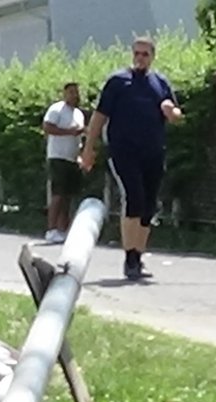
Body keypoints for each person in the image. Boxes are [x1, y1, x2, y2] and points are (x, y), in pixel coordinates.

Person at [79, 35, 183, 281]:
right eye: (136, 53)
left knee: (149, 205)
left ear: (152, 57)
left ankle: (138, 255)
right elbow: (99, 117)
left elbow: (176, 114)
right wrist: (88, 149)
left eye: (145, 54)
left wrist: (172, 112)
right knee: (134, 197)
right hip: (124, 151)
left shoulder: (160, 83)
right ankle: (130, 259)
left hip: (153, 151)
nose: (140, 58)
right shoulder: (118, 81)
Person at [41, 81, 85, 244]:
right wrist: (69, 132)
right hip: (58, 156)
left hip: (72, 158)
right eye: (71, 92)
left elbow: (79, 137)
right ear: (65, 94)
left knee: (68, 196)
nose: (75, 95)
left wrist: (81, 155)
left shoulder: (78, 114)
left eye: (76, 92)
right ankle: (51, 229)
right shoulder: (57, 109)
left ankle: (63, 229)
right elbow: (47, 127)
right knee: (58, 194)